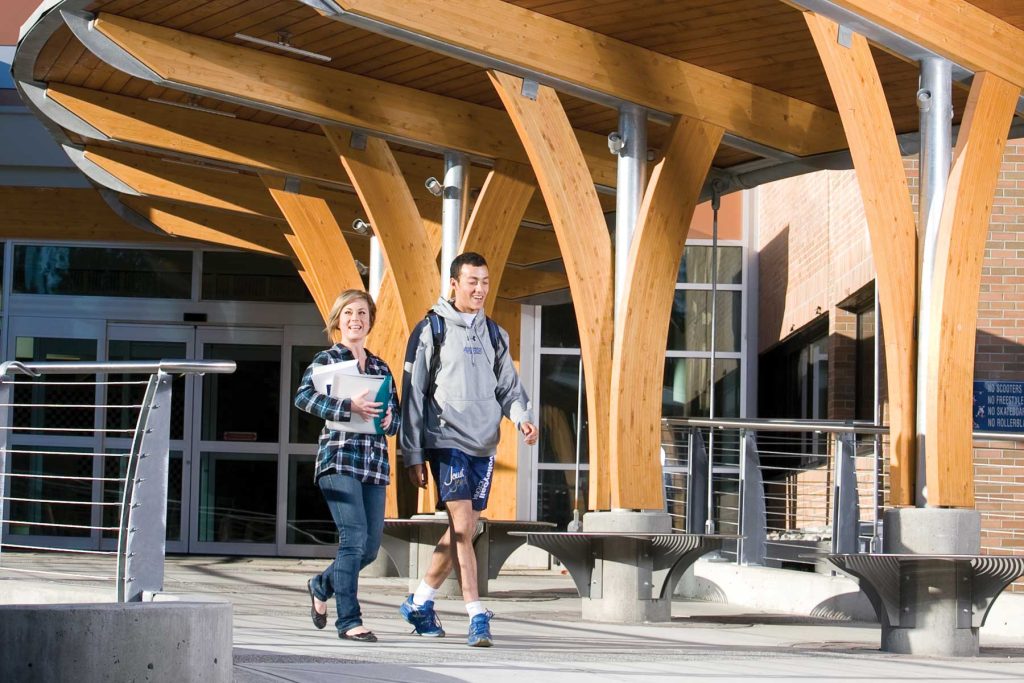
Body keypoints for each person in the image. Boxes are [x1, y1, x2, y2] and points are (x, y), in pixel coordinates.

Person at [398, 252, 539, 647]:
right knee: (463, 526)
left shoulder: (496, 334)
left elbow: (509, 389)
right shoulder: (431, 329)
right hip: (447, 440)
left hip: (484, 444)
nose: (479, 289)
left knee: (464, 529)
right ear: (454, 284)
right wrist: (412, 453)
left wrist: (521, 417)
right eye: (472, 282)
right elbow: (413, 394)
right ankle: (477, 614)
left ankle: (419, 602)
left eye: (485, 282)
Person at [294, 289, 400, 642]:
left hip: (373, 464)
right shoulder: (327, 360)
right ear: (338, 320)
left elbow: (395, 417)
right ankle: (349, 621)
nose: (356, 318)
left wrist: (388, 420)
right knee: (352, 538)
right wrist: (346, 407)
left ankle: (321, 585)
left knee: (369, 548)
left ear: (370, 320)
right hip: (339, 459)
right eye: (349, 313)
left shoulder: (381, 367)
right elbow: (303, 397)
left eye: (363, 313)